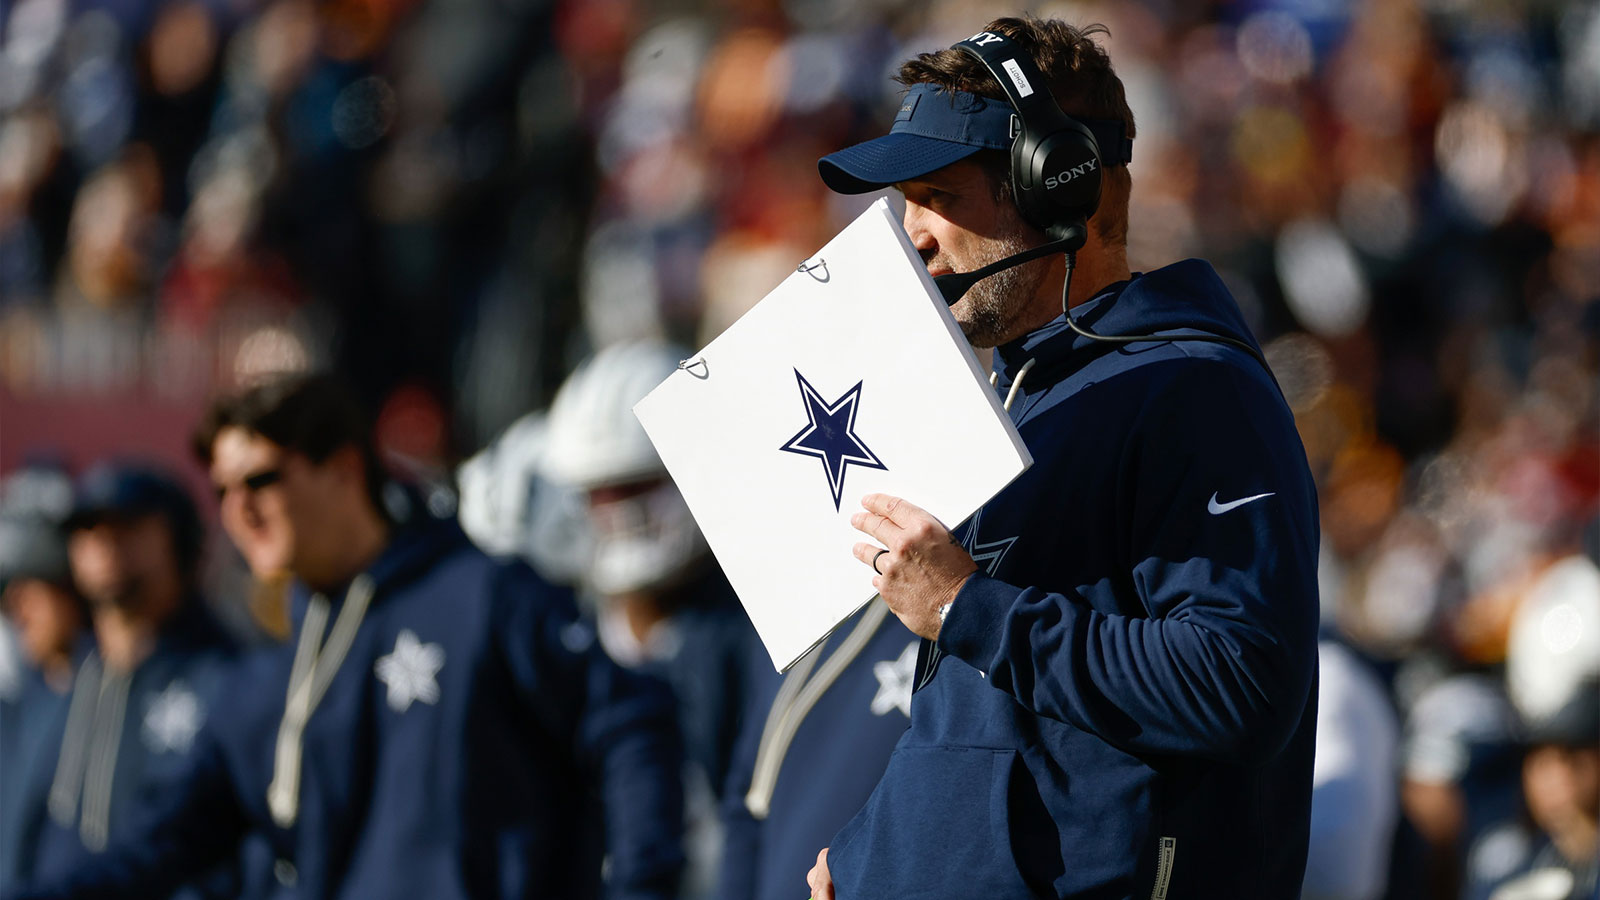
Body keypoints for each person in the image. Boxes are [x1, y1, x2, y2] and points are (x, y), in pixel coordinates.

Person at [804, 17, 1321, 899]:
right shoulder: (1012, 403)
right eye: (904, 206)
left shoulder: (1196, 391)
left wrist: (968, 604)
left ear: (1058, 185)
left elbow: (1240, 684)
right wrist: (869, 859)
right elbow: (997, 734)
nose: (912, 234)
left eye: (939, 195)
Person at [3, 372, 687, 900]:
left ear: (344, 470)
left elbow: (632, 726)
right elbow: (160, 845)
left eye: (263, 480)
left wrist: (640, 888)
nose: (239, 510)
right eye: (221, 492)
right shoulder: (268, 675)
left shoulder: (483, 596)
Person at [540, 339, 763, 899]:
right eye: (599, 494)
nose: (618, 513)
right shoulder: (562, 636)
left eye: (637, 485)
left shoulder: (759, 634)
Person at [1, 463, 244, 899]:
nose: (103, 543)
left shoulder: (224, 676)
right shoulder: (70, 680)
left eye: (128, 525)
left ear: (179, 538)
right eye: (87, 528)